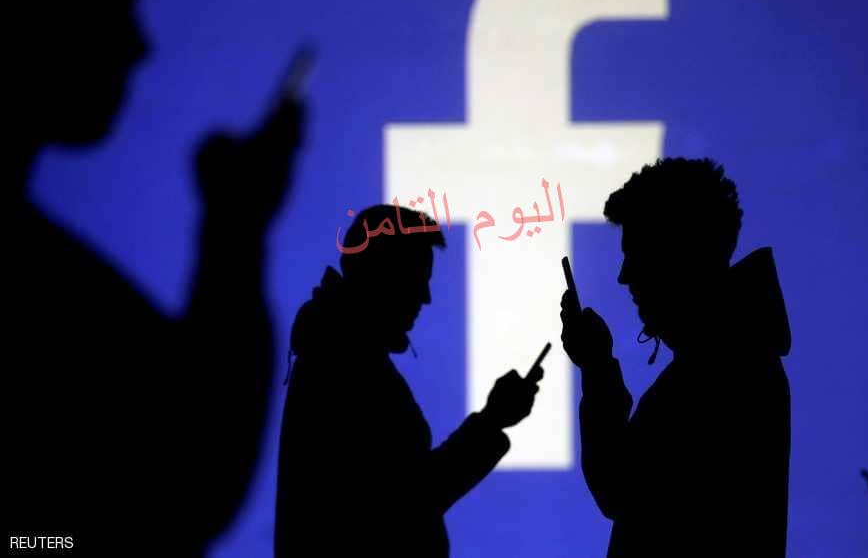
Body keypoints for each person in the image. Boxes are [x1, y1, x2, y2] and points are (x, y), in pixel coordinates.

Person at [6, 0, 303, 554]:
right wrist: (235, 230)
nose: (139, 45)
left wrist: (235, 226)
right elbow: (180, 484)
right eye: (103, 6)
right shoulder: (47, 297)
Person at [276, 204, 542, 557]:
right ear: (383, 275)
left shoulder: (338, 357)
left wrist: (491, 422)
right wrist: (492, 422)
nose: (425, 297)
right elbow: (405, 504)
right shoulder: (347, 369)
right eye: (417, 279)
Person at [560, 157, 791, 557]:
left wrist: (597, 368)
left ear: (677, 254)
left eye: (636, 254)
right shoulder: (734, 356)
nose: (624, 276)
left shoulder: (718, 372)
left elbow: (618, 487)